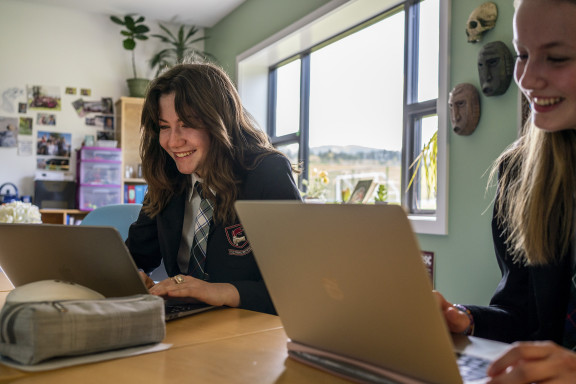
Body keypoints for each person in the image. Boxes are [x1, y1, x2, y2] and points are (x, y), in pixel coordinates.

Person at [435, 0, 576, 382]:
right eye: (523, 55)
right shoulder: (519, 173)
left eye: (558, 58)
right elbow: (523, 318)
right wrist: (464, 320)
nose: (527, 79)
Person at [125, 62, 302, 315]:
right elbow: (136, 256)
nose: (173, 141)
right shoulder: (167, 177)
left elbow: (298, 285)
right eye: (164, 127)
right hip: (186, 323)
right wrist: (133, 275)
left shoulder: (267, 172)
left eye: (186, 123)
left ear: (220, 121)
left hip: (249, 327)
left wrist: (218, 291)